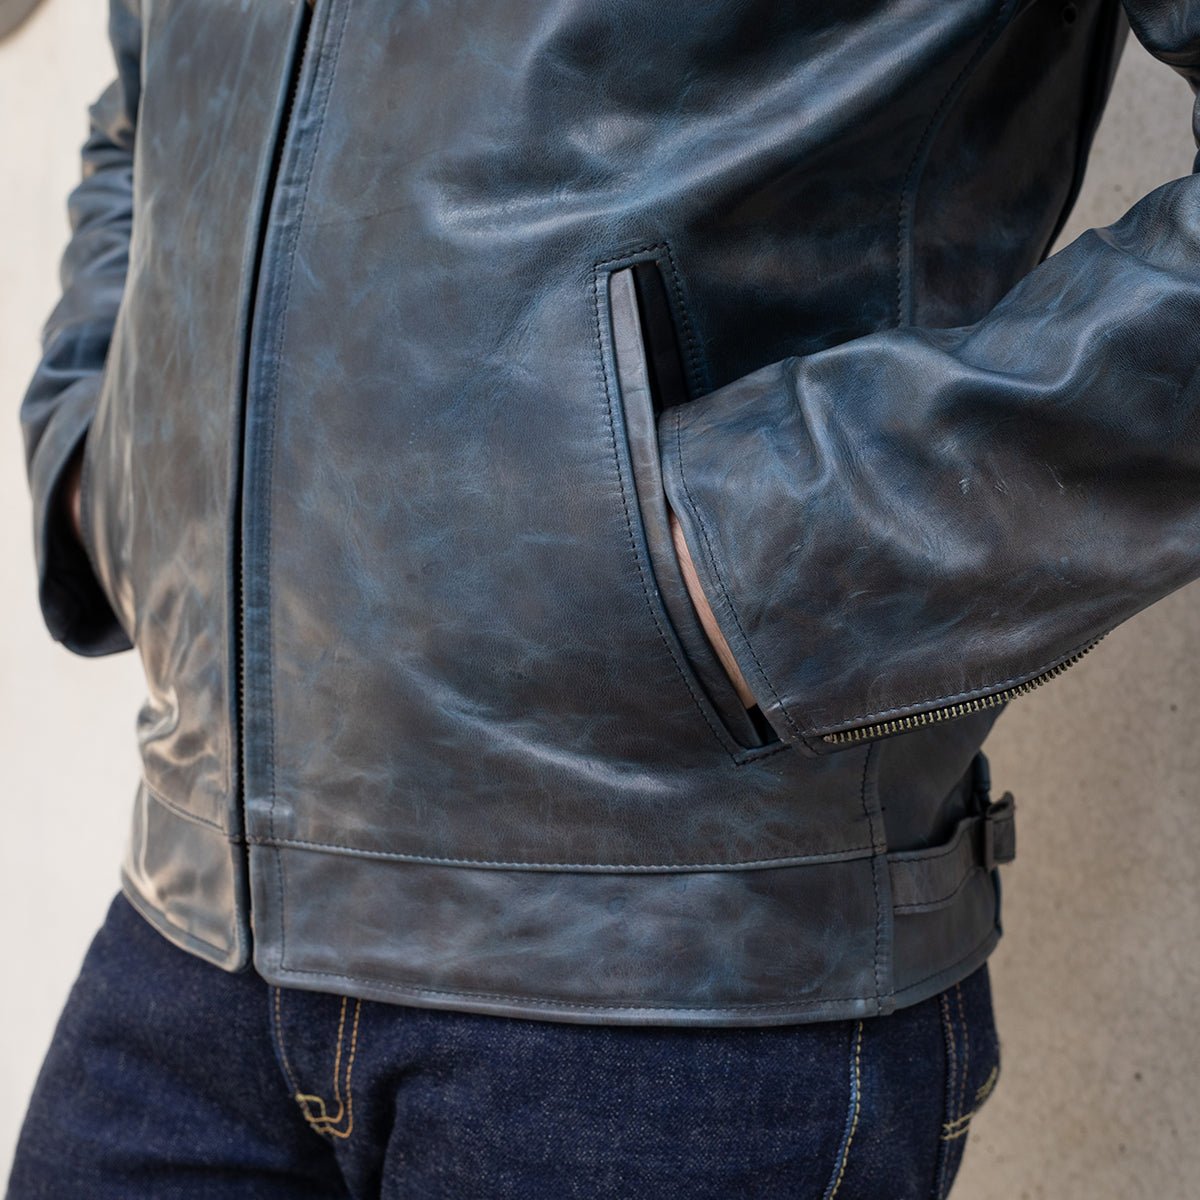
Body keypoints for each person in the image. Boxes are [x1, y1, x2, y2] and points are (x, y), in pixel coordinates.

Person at [9, 0, 1200, 1195]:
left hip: (673, 962)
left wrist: (757, 559)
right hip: (193, 918)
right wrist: (102, 448)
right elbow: (143, 99)